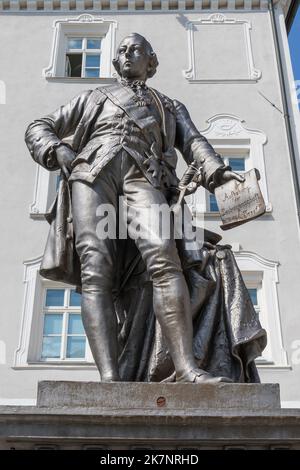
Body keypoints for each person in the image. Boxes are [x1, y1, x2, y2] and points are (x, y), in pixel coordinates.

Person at [25, 33, 246, 384]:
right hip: (92, 174)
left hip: (145, 176)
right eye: (122, 51)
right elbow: (39, 127)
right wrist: (58, 151)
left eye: (136, 50)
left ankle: (187, 368)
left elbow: (194, 141)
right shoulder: (94, 96)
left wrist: (217, 171)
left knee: (165, 259)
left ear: (151, 61)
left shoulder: (168, 106)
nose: (127, 55)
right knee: (95, 270)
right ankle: (110, 379)